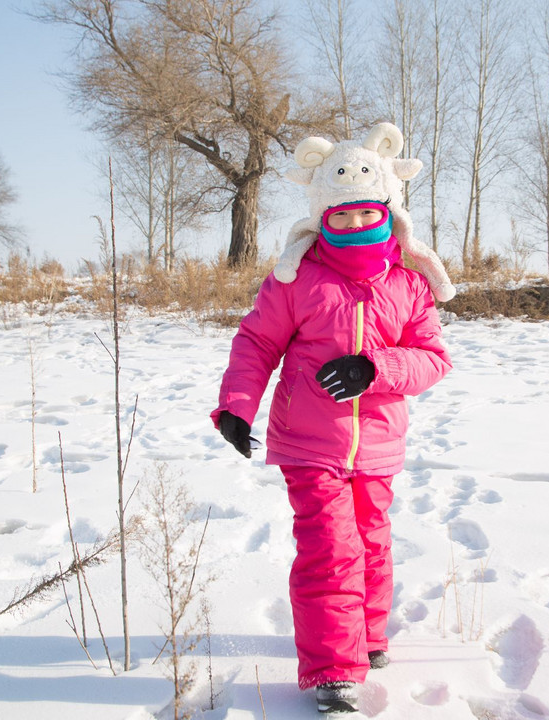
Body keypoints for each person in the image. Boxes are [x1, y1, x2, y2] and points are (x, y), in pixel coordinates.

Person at [211, 123, 454, 714]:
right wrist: (237, 406)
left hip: (376, 444)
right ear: (320, 213)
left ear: (386, 208)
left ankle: (367, 640)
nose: (349, 224)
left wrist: (377, 368)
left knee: (370, 541)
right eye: (337, 214)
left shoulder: (408, 284)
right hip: (308, 441)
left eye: (363, 212)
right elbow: (256, 343)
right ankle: (333, 670)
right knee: (329, 547)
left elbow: (433, 360)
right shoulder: (296, 279)